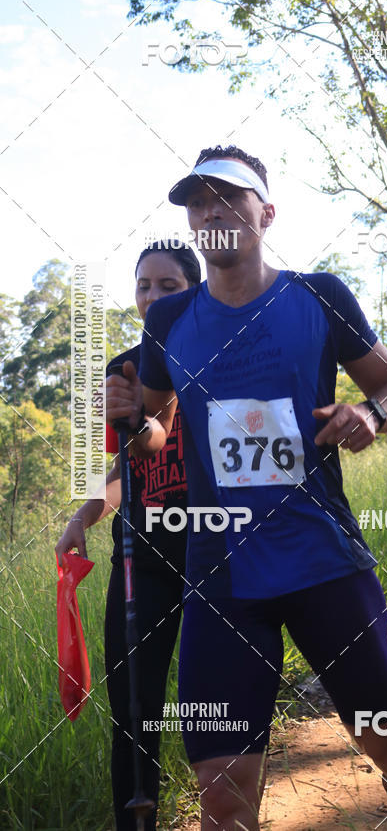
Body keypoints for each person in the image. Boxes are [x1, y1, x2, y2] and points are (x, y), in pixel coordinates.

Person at [106, 145, 387, 830]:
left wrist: (370, 414)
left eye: (228, 197)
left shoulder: (319, 296)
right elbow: (156, 426)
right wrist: (129, 417)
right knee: (221, 787)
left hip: (318, 554)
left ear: (265, 213)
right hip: (219, 574)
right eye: (198, 201)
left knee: (382, 732)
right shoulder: (169, 323)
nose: (211, 210)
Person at [56, 240, 201, 831]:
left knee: (213, 702)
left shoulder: (218, 357)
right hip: (140, 550)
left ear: (196, 288)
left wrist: (140, 424)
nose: (152, 296)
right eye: (144, 285)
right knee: (133, 707)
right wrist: (82, 516)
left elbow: (156, 433)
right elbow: (128, 465)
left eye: (168, 286)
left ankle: (229, 806)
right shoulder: (123, 368)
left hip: (212, 546)